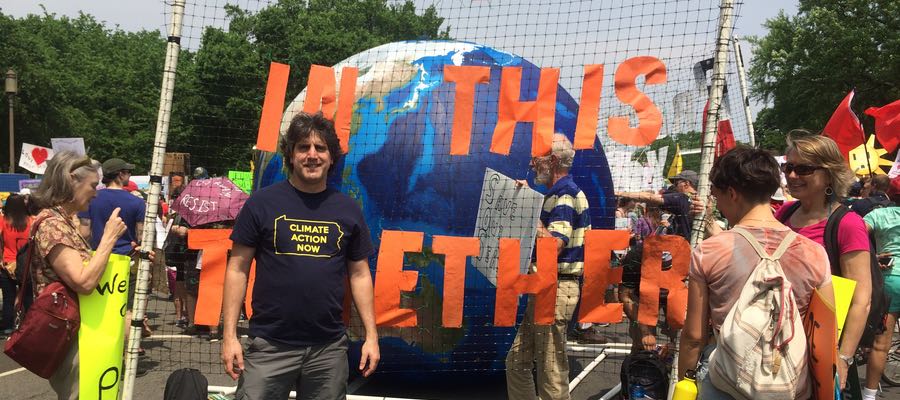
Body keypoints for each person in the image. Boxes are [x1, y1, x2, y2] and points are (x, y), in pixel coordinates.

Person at [220, 112, 379, 400]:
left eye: (321, 148)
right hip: (269, 345)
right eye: (303, 147)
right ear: (291, 156)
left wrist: (371, 336)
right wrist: (229, 336)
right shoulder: (261, 204)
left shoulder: (348, 210)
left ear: (332, 158)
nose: (312, 155)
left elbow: (359, 274)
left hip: (328, 350)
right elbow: (237, 269)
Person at [678, 146, 834, 399]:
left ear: (732, 193)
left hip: (727, 384)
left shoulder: (709, 251)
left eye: (717, 197)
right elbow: (824, 335)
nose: (718, 204)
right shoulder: (814, 252)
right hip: (791, 386)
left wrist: (685, 380)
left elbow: (695, 336)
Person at [774, 134, 872, 389]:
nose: (792, 176)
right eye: (789, 167)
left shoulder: (848, 224)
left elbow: (861, 300)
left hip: (824, 348)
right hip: (783, 341)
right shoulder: (785, 214)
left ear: (829, 175)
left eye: (804, 169)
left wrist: (843, 358)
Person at [28, 151, 127, 399]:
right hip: (72, 336)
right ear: (71, 180)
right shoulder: (52, 224)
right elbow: (83, 281)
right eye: (93, 185)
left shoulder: (63, 220)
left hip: (80, 332)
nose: (96, 192)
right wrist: (109, 239)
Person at [506, 133, 590, 400]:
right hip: (547, 289)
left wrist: (528, 208)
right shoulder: (556, 195)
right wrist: (529, 198)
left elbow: (553, 245)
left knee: (551, 369)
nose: (532, 166)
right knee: (517, 361)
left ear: (552, 161)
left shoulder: (565, 195)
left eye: (536, 160)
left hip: (556, 289)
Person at [860, 196, 900, 400]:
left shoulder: (879, 215)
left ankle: (869, 396)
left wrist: (872, 258)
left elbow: (854, 235)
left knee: (880, 344)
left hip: (890, 280)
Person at [616, 170, 703, 240]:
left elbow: (650, 197)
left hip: (684, 249)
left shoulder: (682, 198)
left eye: (676, 183)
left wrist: (618, 193)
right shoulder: (701, 200)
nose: (675, 187)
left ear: (686, 184)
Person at [0, 194, 33, 336]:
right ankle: (31, 326)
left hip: (6, 264)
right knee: (27, 298)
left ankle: (7, 327)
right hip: (26, 265)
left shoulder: (3, 221)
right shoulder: (31, 221)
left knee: (8, 298)